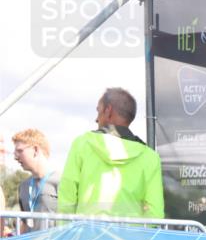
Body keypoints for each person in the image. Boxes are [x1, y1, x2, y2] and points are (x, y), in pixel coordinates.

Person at [58, 87, 164, 218]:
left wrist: (67, 229)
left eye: (98, 111)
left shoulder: (82, 144)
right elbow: (155, 212)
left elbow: (67, 197)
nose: (96, 119)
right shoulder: (150, 157)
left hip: (86, 230)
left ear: (108, 111)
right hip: (131, 232)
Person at [12, 128, 60, 232]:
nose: (15, 157)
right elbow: (25, 224)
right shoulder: (23, 186)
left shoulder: (61, 181)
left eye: (20, 151)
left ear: (35, 150)